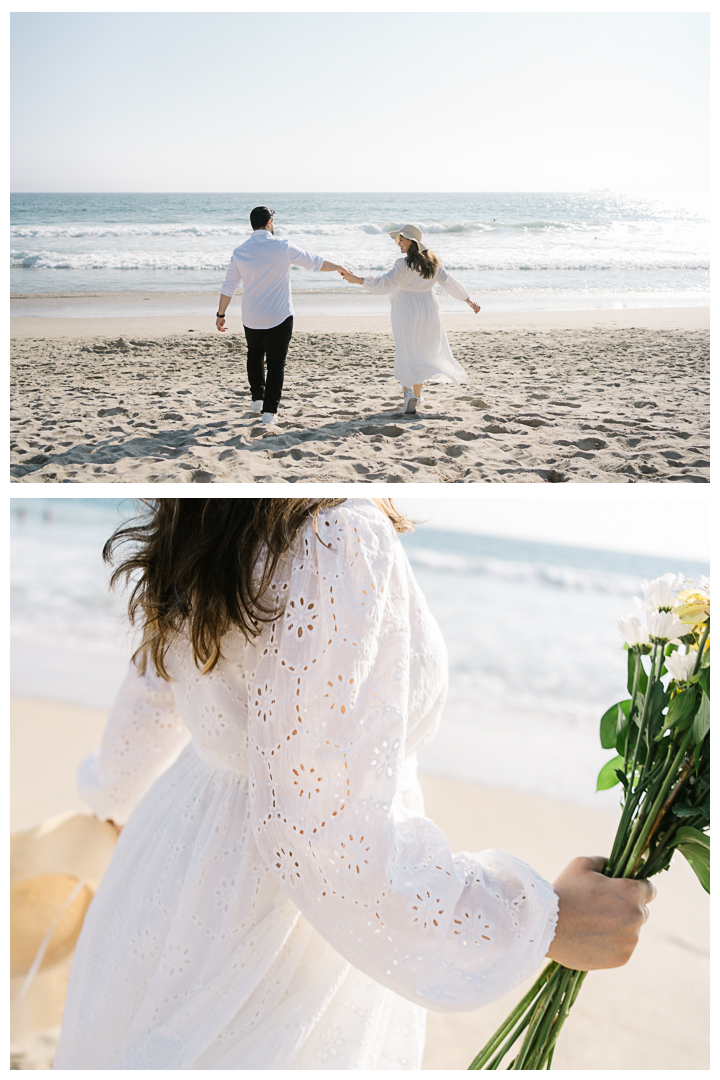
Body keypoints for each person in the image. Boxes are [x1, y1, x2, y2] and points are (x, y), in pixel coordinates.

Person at [53, 498, 656, 1070]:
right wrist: (539, 922)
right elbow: (320, 830)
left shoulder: (200, 514)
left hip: (175, 860)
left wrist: (113, 794)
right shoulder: (336, 533)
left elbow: (156, 683)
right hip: (281, 922)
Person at [216, 208, 347, 425]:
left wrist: (221, 314)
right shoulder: (283, 246)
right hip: (280, 315)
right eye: (273, 221)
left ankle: (257, 400)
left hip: (252, 316)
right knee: (276, 363)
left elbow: (228, 286)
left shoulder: (240, 251)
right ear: (269, 223)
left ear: (252, 225)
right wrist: (338, 267)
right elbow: (314, 262)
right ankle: (269, 413)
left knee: (254, 355)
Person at [339, 224, 481, 414]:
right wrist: (467, 299)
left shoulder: (403, 265)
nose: (398, 244)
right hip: (428, 309)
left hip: (406, 309)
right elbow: (449, 282)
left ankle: (408, 395)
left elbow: (384, 283)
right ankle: (417, 395)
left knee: (406, 350)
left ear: (411, 242)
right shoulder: (434, 263)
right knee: (421, 349)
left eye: (401, 240)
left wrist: (359, 280)